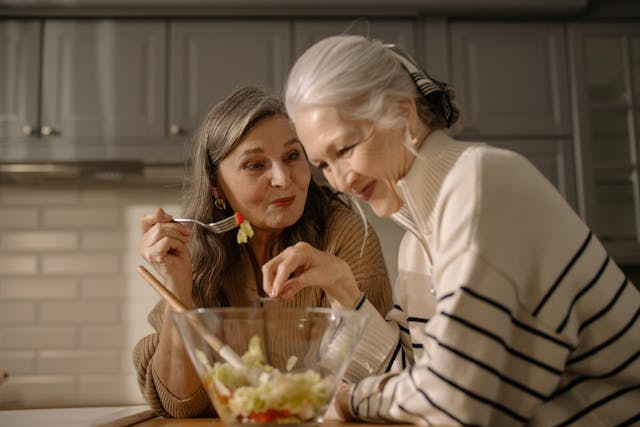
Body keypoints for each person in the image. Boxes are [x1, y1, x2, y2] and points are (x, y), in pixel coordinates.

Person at [261, 35, 640, 425]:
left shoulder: (483, 182)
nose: (339, 181)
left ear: (403, 114)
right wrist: (342, 285)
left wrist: (348, 401)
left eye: (344, 150)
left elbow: (456, 399)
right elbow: (415, 378)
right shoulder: (416, 242)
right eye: (324, 165)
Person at [133, 86, 399, 418]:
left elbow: (375, 378)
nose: (282, 179)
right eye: (255, 165)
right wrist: (177, 285)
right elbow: (181, 403)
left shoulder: (346, 235)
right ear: (217, 184)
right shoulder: (195, 249)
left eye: (292, 156)